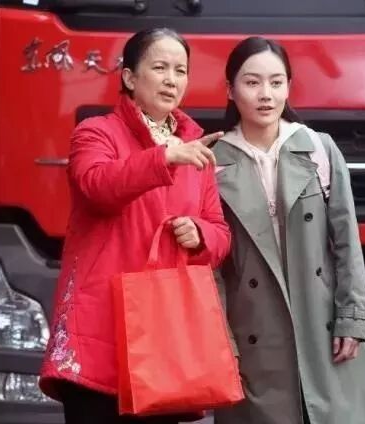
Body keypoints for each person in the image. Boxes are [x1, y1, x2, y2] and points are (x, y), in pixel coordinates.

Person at [38, 28, 231, 424]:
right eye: (159, 68)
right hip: (100, 329)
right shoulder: (96, 131)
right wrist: (164, 158)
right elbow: (97, 186)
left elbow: (220, 232)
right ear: (129, 77)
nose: (171, 80)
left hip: (163, 336)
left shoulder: (194, 146)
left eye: (180, 70)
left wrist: (200, 235)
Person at [211, 36, 365, 424]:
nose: (266, 94)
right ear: (230, 89)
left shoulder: (318, 149)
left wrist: (352, 318)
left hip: (322, 325)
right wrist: (221, 341)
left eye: (276, 82)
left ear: (289, 87)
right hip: (252, 331)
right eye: (252, 82)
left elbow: (346, 241)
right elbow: (211, 268)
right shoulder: (212, 162)